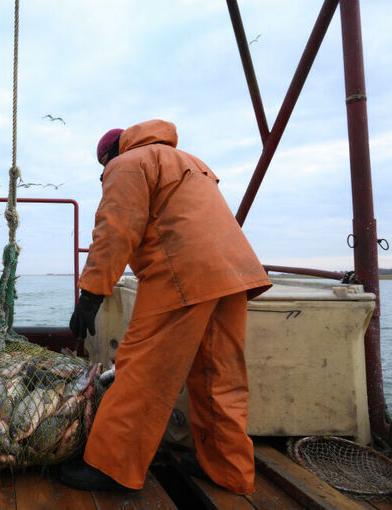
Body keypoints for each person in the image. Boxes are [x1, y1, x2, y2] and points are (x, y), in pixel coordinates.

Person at [60, 120, 272, 494]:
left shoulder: (127, 163)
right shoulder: (191, 161)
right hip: (233, 275)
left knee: (143, 371)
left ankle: (113, 467)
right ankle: (227, 468)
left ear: (109, 156)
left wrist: (91, 295)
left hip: (182, 273)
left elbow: (115, 230)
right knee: (220, 375)